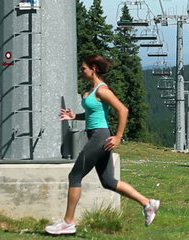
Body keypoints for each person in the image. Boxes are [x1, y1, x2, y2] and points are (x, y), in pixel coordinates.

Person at [45, 54, 160, 235]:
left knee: (75, 176)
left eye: (83, 68)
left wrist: (118, 137)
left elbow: (123, 110)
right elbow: (93, 114)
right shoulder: (90, 91)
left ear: (94, 69)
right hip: (96, 136)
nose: (81, 71)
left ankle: (68, 222)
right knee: (108, 181)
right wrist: (76, 117)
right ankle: (148, 203)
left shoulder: (102, 90)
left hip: (100, 137)